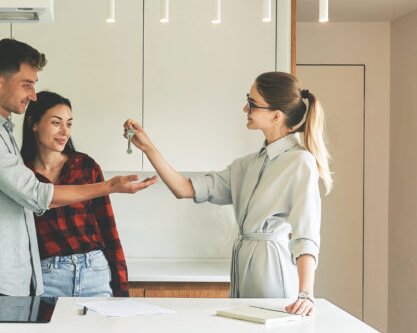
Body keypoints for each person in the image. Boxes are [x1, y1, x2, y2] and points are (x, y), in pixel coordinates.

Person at [0, 38, 156, 297]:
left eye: (69, 123)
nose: (33, 95)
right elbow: (35, 195)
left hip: (27, 278)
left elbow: (1, 201)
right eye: (27, 85)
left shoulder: (3, 132)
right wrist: (110, 186)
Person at [123, 71, 331, 316]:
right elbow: (184, 188)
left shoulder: (300, 162)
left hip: (273, 271)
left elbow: (306, 235)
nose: (245, 108)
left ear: (276, 115)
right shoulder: (246, 165)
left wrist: (306, 293)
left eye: (252, 104)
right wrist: (148, 147)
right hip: (242, 268)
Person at [0, 91, 130, 297]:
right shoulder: (18, 173)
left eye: (69, 124)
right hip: (46, 276)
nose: (64, 131)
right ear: (34, 124)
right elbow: (2, 221)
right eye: (56, 123)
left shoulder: (86, 166)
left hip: (95, 271)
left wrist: (122, 289)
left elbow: (109, 231)